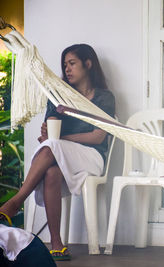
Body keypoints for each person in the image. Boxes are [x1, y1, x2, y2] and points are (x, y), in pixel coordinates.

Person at [0, 44, 115, 261]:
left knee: (53, 147)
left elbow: (97, 136)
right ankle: (56, 243)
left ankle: (16, 201)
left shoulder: (104, 97)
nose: (67, 69)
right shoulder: (57, 95)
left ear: (88, 64)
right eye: (65, 65)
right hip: (62, 156)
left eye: (72, 63)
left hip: (92, 158)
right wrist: (49, 136)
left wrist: (58, 140)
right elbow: (49, 136)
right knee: (51, 172)